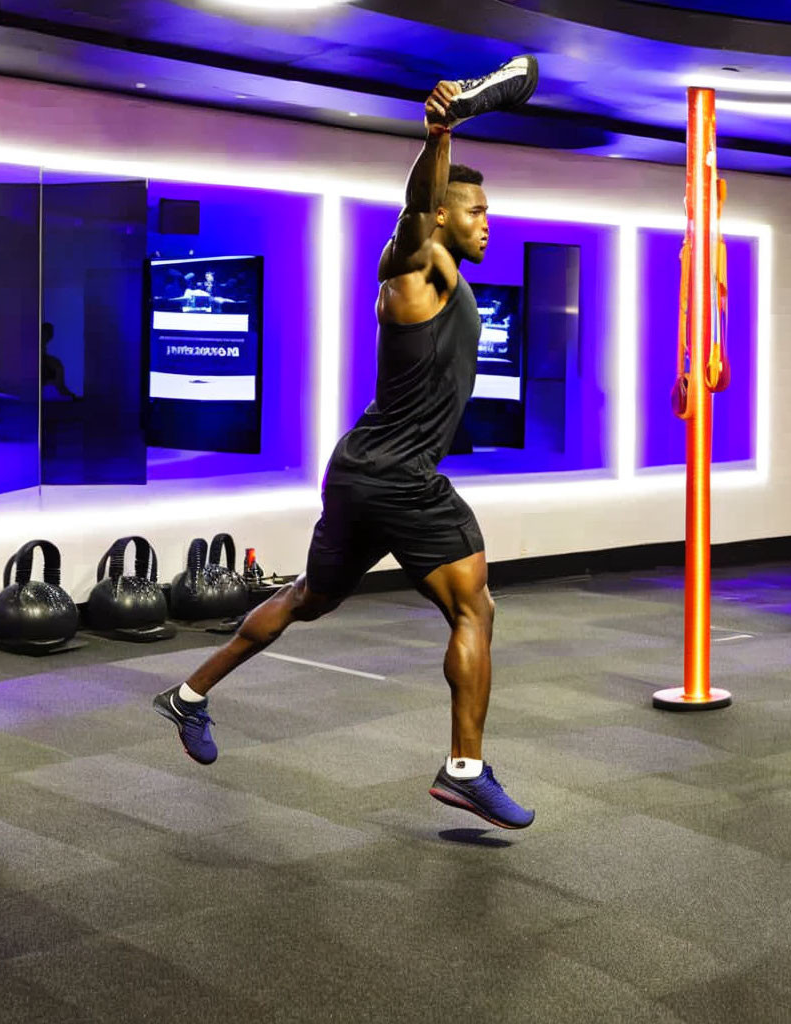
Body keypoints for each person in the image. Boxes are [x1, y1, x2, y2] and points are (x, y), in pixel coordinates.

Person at [153, 60, 540, 831]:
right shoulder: (413, 272)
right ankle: (464, 770)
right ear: (442, 221)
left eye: (490, 211)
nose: (487, 222)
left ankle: (188, 695)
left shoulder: (454, 284)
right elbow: (414, 212)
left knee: (310, 598)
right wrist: (440, 133)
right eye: (475, 212)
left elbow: (429, 214)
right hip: (399, 476)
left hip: (360, 472)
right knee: (476, 607)